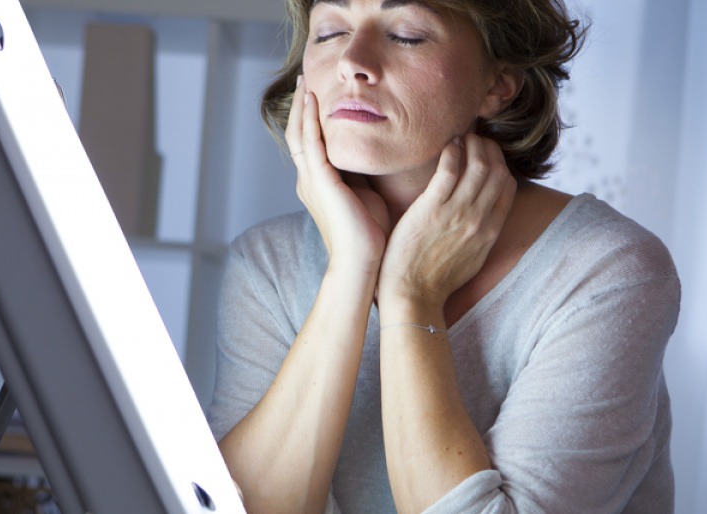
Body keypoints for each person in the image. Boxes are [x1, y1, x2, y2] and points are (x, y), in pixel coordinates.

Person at [207, 0, 680, 512]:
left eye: (407, 34)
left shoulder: (608, 270)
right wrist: (351, 271)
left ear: (499, 85)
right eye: (330, 32)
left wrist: (413, 295)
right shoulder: (266, 264)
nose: (352, 60)